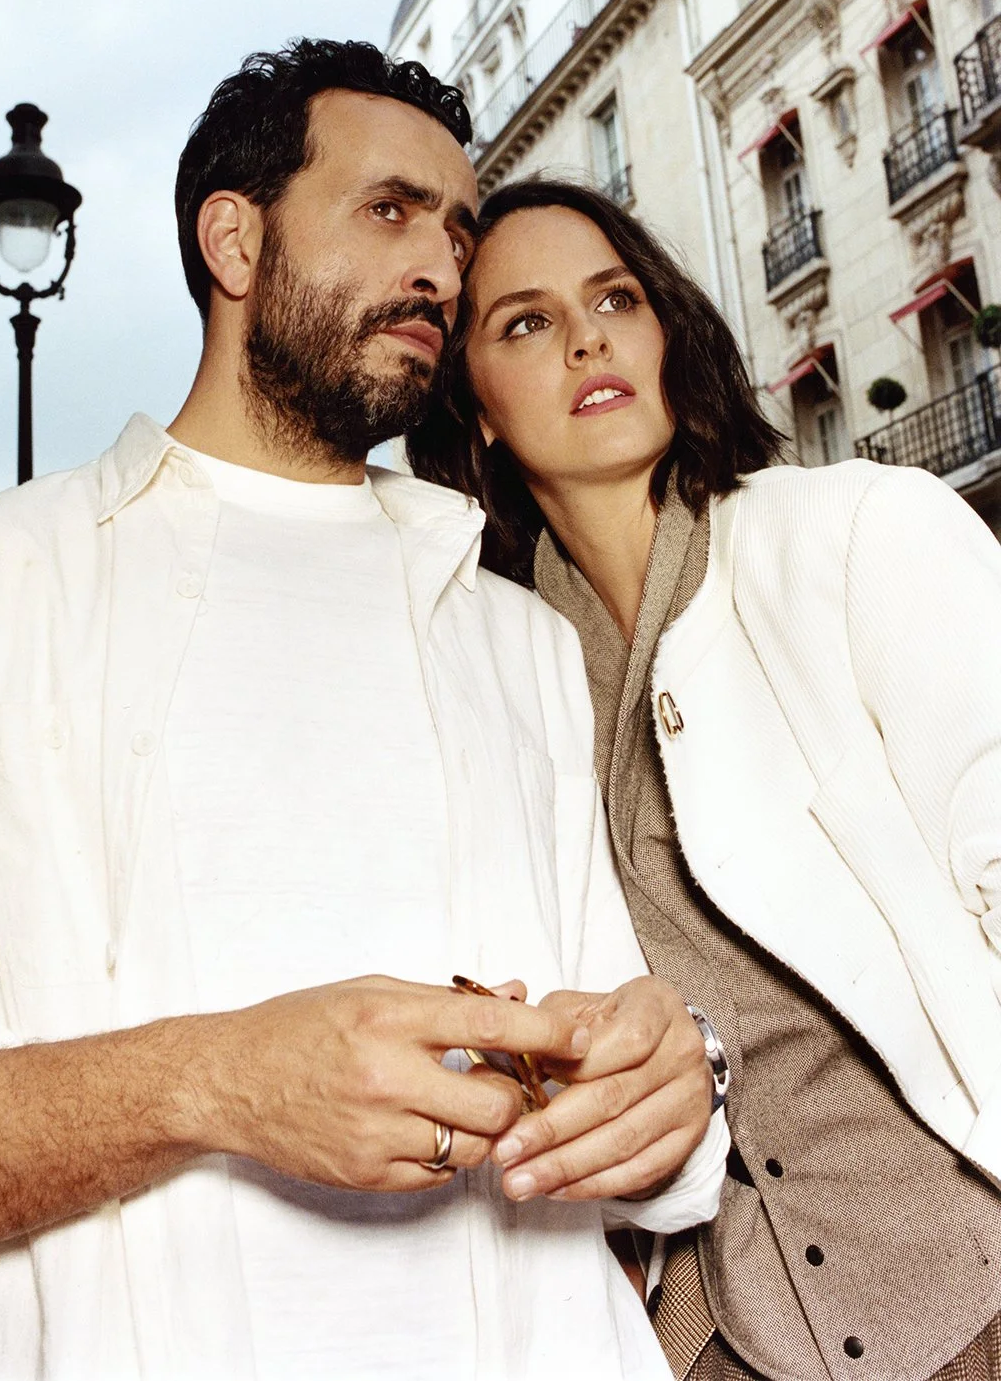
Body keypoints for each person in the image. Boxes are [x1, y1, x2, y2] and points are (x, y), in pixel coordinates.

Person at [0, 45, 726, 1381]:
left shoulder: (514, 636)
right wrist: (219, 1082)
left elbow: (623, 1105)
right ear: (233, 240)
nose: (440, 267)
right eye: (389, 210)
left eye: (455, 230)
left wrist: (671, 1090)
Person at [407, 175, 1001, 1381]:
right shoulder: (497, 682)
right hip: (717, 1334)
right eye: (525, 322)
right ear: (473, 410)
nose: (586, 340)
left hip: (966, 1283)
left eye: (613, 299)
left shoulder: (856, 534)